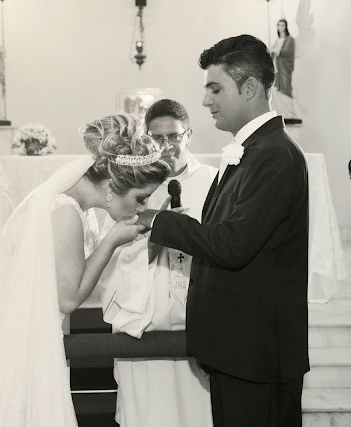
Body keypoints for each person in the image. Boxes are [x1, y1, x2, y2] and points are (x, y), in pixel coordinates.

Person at [0, 113, 169, 426]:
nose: (142, 207)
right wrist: (112, 241)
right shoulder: (65, 212)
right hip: (27, 348)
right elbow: (68, 299)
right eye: (141, 198)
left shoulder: (68, 203)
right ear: (114, 183)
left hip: (26, 336)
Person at [137, 35, 310, 427]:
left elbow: (232, 245)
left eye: (215, 89)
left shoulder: (275, 155)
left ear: (249, 88)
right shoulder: (251, 151)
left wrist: (157, 220)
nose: (205, 100)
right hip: (236, 348)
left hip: (256, 354)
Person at [98, 99, 217, 427]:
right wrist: (152, 231)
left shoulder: (215, 181)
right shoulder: (131, 183)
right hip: (143, 315)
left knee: (198, 411)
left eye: (174, 136)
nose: (166, 146)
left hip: (195, 313)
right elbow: (111, 251)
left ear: (188, 135)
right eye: (157, 137)